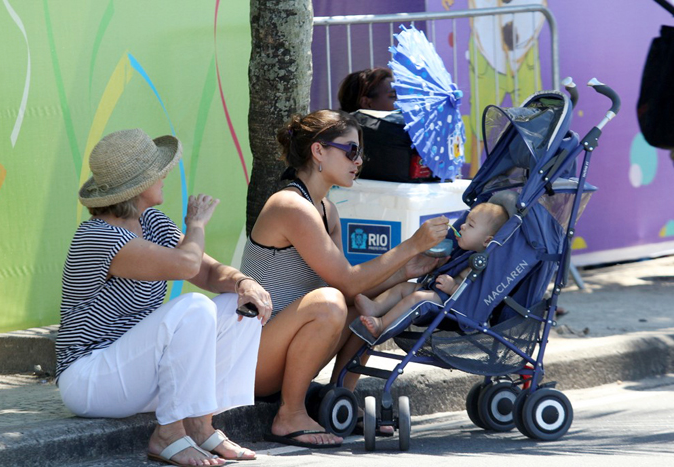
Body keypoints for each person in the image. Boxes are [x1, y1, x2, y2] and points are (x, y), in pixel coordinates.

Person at [55, 129, 272, 466]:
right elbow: (186, 265)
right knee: (194, 307)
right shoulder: (97, 236)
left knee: (238, 306)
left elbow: (210, 273)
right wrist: (196, 224)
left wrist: (244, 282)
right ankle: (168, 434)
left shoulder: (152, 222)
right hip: (90, 380)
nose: (166, 176)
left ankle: (201, 424)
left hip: (138, 377)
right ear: (140, 185)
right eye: (159, 172)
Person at [240, 109, 449, 448]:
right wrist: (411, 246)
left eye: (360, 152)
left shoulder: (327, 210)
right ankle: (289, 414)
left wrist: (406, 272)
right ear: (318, 151)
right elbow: (346, 284)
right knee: (329, 303)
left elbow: (351, 287)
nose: (359, 160)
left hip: (280, 352)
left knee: (363, 311)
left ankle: (337, 401)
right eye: (351, 150)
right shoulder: (291, 205)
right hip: (252, 361)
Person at [355, 202, 509, 339]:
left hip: (455, 305)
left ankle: (381, 324)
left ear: (487, 240)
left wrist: (453, 288)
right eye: (466, 222)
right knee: (404, 287)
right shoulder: (468, 254)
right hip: (440, 293)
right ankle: (374, 307)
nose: (462, 226)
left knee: (417, 297)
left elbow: (476, 297)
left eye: (471, 225)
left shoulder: (486, 265)